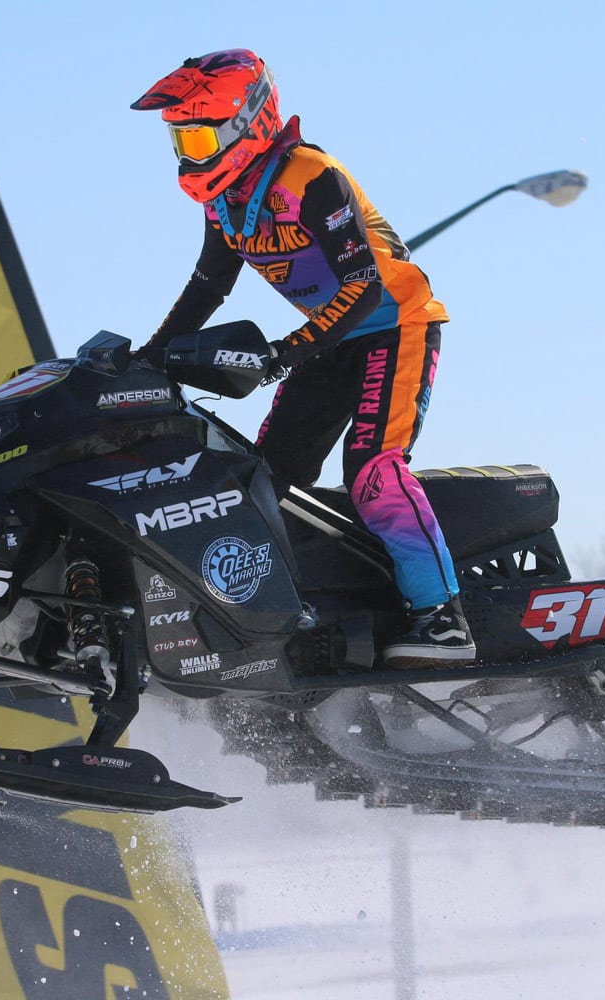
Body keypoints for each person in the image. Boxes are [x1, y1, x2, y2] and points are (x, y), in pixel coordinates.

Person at [130, 49, 474, 667]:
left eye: (200, 134)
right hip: (328, 337)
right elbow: (210, 283)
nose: (189, 152)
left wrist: (286, 353)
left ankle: (442, 618)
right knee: (263, 476)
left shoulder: (310, 176)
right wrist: (147, 357)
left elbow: (363, 284)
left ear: (247, 124)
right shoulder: (225, 200)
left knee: (372, 470)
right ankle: (281, 612)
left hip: (396, 327)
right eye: (181, 139)